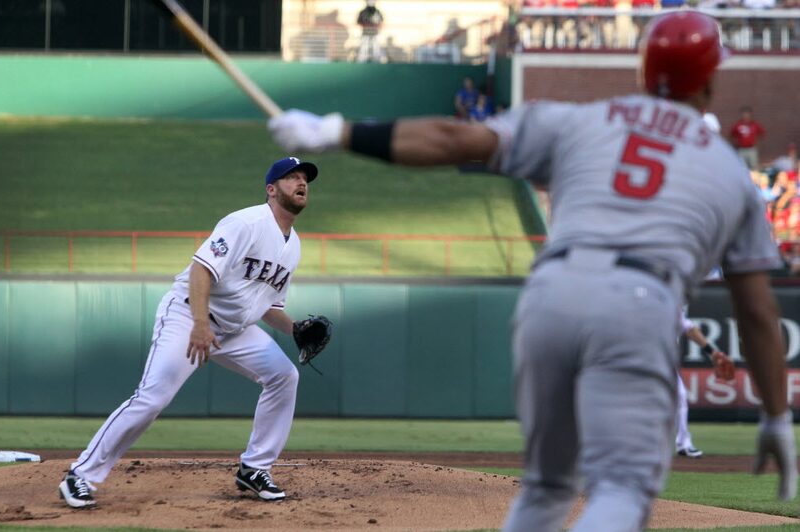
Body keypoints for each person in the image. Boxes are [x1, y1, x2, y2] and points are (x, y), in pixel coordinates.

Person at [268, 11, 797, 531]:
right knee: (622, 492)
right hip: (639, 297)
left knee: (546, 487)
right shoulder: (729, 169)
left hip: (551, 292)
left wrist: (337, 131)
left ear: (643, 69)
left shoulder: (583, 119)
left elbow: (456, 140)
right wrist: (775, 415)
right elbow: (755, 308)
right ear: (709, 80)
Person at [59, 157, 326, 508]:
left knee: (283, 376)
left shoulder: (293, 245)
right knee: (153, 397)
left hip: (234, 329)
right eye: (291, 177)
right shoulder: (245, 222)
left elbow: (267, 305)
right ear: (271, 189)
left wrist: (294, 328)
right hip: (188, 315)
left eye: (304, 178)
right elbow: (202, 270)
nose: (301, 182)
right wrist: (199, 324)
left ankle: (255, 468)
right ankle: (80, 475)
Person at [676, 309, 735, 459]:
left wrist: (712, 352)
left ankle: (684, 444)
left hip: (657, 359)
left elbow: (689, 328)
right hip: (641, 357)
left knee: (680, 395)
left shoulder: (670, 303)